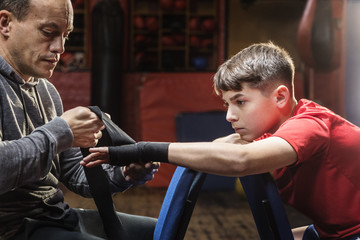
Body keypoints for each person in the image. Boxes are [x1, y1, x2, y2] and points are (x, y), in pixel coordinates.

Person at [81, 42, 360, 240]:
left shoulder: (310, 125)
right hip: (335, 232)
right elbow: (220, 147)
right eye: (227, 104)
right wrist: (130, 151)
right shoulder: (272, 133)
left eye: (240, 102)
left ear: (280, 97)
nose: (229, 115)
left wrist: (143, 149)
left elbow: (242, 160)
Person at [0, 0, 159, 239]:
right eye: (48, 32)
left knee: (161, 230)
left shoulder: (46, 91)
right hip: (11, 228)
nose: (60, 47)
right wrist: (61, 132)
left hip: (52, 215)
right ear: (5, 23)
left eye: (66, 35)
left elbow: (74, 172)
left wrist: (124, 172)